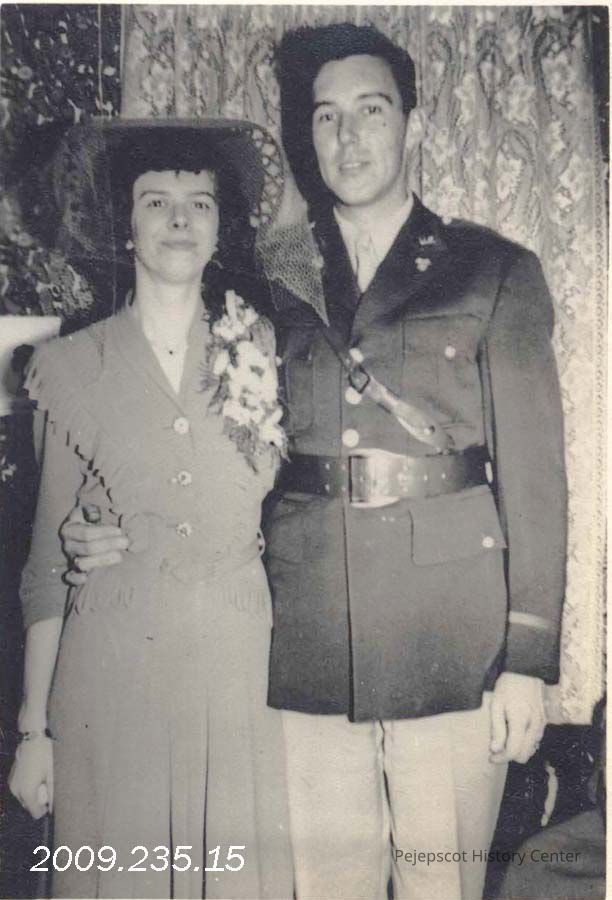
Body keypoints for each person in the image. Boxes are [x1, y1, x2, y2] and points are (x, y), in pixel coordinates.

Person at [58, 23, 568, 900]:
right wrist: (102, 517)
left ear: (413, 126)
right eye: (326, 116)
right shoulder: (262, 278)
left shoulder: (492, 271)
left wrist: (529, 658)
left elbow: (537, 479)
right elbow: (185, 426)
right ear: (308, 134)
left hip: (450, 640)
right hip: (307, 633)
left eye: (371, 111)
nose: (348, 136)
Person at [8, 119, 293, 899]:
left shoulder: (262, 348)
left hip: (235, 664)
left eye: (199, 203)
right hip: (115, 672)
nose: (178, 219)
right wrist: (35, 731)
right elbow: (45, 569)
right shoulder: (69, 367)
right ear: (125, 224)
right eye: (156, 201)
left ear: (220, 227)